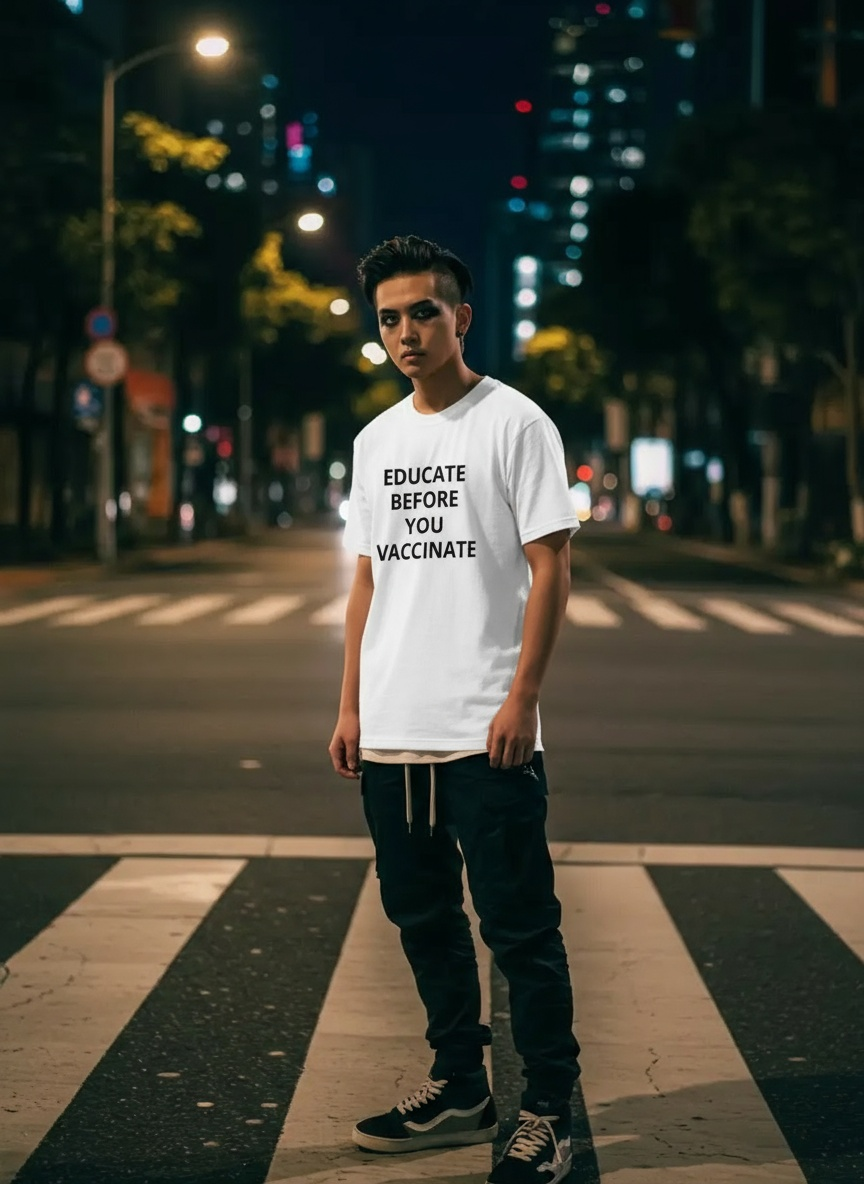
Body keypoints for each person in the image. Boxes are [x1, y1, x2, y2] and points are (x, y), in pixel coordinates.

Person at [328, 235, 580, 1184]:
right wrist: (351, 704)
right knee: (422, 915)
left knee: (520, 927)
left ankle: (547, 1107)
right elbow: (367, 581)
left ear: (461, 317)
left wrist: (524, 697)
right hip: (393, 731)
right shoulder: (377, 439)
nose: (405, 331)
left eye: (423, 312)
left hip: (486, 730)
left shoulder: (515, 424)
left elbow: (554, 565)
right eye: (389, 316)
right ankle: (462, 1086)